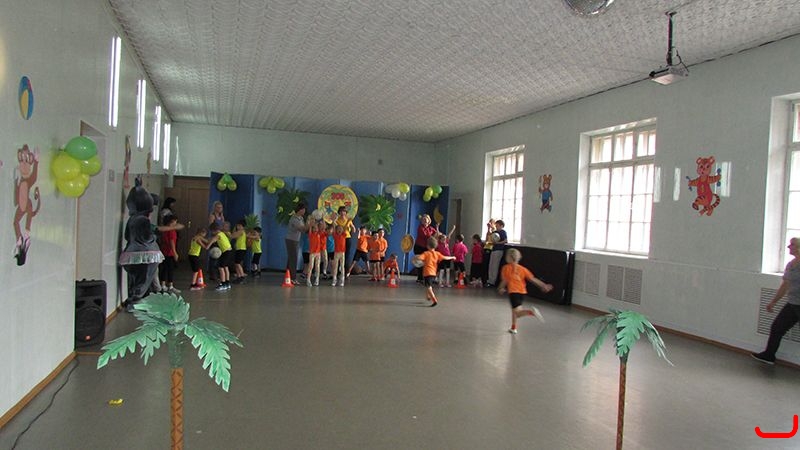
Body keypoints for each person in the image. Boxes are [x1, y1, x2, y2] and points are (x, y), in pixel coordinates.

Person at [752, 238, 800, 364]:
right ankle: (769, 355)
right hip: (792, 303)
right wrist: (773, 302)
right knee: (777, 327)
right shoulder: (790, 264)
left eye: (792, 244)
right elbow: (785, 285)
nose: (788, 247)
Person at [497, 248, 551, 334]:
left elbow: (505, 280)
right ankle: (513, 327)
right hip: (522, 292)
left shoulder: (506, 268)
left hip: (513, 292)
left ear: (508, 257)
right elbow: (532, 279)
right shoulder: (523, 269)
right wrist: (543, 285)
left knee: (518, 313)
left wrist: (500, 288)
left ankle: (531, 312)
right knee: (514, 310)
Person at [415, 237, 455, 307]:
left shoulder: (426, 253)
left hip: (427, 273)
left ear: (427, 246)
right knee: (428, 285)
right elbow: (445, 257)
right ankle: (428, 296)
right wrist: (452, 257)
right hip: (433, 273)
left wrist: (415, 258)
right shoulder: (437, 253)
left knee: (428, 287)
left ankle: (434, 300)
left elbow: (419, 258)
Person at [206, 222, 233, 291]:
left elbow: (212, 240)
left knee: (221, 267)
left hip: (226, 252)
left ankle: (223, 284)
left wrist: (207, 247)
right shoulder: (222, 233)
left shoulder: (218, 235)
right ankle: (227, 283)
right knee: (225, 267)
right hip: (229, 251)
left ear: (213, 230)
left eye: (212, 231)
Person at [158, 214, 180, 294]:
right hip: (169, 253)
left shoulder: (164, 230)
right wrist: (175, 253)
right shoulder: (171, 231)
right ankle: (170, 285)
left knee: (164, 269)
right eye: (175, 222)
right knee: (170, 269)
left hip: (164, 252)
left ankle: (163, 285)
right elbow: (171, 242)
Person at [285, 203, 307, 285]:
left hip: (296, 240)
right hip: (291, 240)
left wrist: (308, 226)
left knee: (291, 258)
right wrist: (309, 224)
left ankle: (288, 276)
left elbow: (304, 230)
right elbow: (302, 229)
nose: (304, 211)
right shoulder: (294, 219)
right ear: (300, 210)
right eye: (303, 209)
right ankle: (293, 278)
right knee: (293, 259)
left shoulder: (301, 218)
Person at [414, 214, 439, 283]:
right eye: (423, 219)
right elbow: (425, 235)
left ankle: (427, 277)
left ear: (429, 220)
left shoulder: (431, 228)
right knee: (420, 263)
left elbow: (437, 234)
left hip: (426, 247)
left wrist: (438, 232)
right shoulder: (420, 227)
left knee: (427, 263)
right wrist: (433, 236)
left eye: (426, 219)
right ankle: (420, 278)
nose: (425, 220)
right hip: (419, 247)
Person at [487, 219, 508, 286]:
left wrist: (497, 243)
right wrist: (489, 228)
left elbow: (505, 240)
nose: (496, 227)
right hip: (493, 249)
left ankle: (492, 281)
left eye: (498, 225)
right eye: (496, 225)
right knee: (491, 265)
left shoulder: (503, 232)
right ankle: (489, 280)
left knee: (495, 266)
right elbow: (489, 236)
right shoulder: (495, 232)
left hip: (499, 250)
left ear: (501, 226)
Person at [306, 221, 325, 286]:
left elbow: (323, 228)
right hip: (312, 253)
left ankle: (317, 279)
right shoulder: (311, 235)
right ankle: (308, 279)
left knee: (317, 266)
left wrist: (323, 220)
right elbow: (310, 229)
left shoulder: (319, 234)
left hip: (318, 253)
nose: (315, 229)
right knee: (311, 266)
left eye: (316, 228)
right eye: (314, 228)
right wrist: (311, 225)